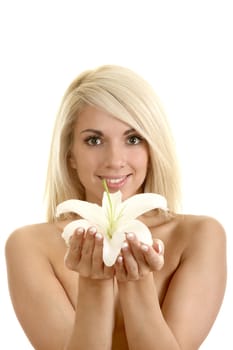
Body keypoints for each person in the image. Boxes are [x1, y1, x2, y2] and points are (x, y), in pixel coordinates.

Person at [5, 64, 227, 350]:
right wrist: (94, 283)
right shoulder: (29, 245)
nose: (114, 160)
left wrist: (137, 282)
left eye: (133, 139)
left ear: (152, 148)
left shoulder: (200, 235)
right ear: (70, 154)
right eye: (94, 140)